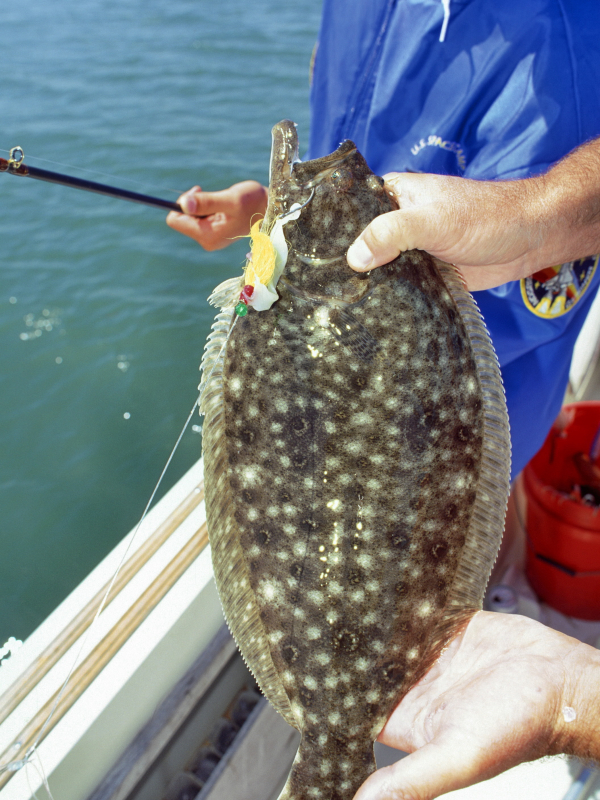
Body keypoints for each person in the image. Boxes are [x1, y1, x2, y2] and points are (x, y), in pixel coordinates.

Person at [167, 1, 600, 796]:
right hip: (358, 357)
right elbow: (346, 180)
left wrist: (521, 223)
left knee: (464, 511)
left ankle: (481, 601)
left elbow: (518, 300)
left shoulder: (561, 51)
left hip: (450, 392)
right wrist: (266, 217)